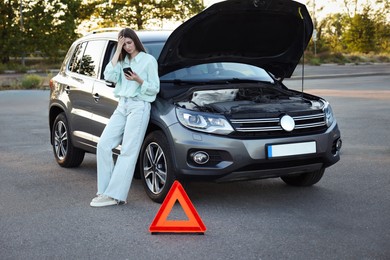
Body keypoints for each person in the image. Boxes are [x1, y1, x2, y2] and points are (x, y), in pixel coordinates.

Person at [90, 28, 160, 207]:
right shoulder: (122, 61)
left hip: (139, 106)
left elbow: (154, 88)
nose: (128, 47)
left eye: (129, 43)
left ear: (136, 41)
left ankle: (115, 196)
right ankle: (104, 191)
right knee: (104, 145)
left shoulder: (148, 60)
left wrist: (138, 80)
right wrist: (117, 50)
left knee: (128, 150)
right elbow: (109, 75)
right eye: (124, 44)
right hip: (122, 105)